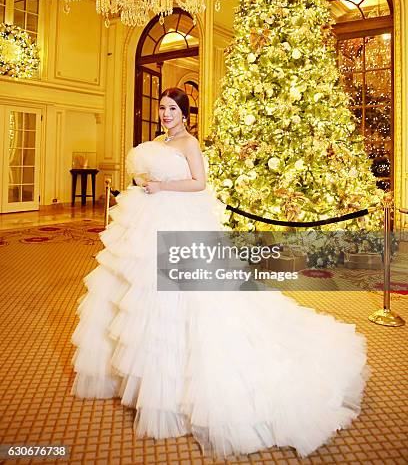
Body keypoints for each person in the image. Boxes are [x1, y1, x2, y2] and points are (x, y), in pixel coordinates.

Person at [71, 87, 368, 459]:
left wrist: (163, 186)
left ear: (184, 113)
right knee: (139, 295)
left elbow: (199, 183)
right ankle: (147, 380)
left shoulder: (190, 143)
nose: (166, 114)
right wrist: (147, 185)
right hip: (150, 219)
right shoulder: (160, 141)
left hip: (180, 220)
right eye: (162, 108)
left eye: (173, 109)